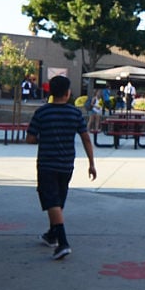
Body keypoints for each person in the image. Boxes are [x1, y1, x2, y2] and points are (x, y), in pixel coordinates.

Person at [27, 76, 97, 258]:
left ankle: (63, 242)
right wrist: (91, 163)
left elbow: (30, 138)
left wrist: (45, 138)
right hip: (66, 164)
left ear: (50, 92)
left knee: (51, 201)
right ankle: (52, 234)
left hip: (47, 163)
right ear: (68, 93)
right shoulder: (75, 113)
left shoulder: (41, 113)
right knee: (58, 200)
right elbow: (86, 138)